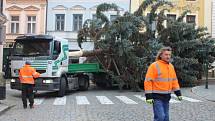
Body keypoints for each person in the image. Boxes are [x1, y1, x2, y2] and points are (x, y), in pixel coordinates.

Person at [144, 47, 182, 121]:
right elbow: (148, 81)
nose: (168, 56)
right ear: (161, 55)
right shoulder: (154, 65)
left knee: (166, 118)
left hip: (167, 96)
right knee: (160, 117)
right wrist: (148, 96)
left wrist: (178, 93)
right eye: (166, 54)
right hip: (157, 96)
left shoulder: (171, 66)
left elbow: (174, 81)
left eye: (169, 55)